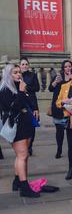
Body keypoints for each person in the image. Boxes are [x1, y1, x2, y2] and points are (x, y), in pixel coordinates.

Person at [0, 64, 39, 197]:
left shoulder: (19, 86)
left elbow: (28, 102)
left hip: (25, 123)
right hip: (15, 125)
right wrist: (22, 92)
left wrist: (24, 93)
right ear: (8, 75)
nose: (18, 74)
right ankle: (24, 187)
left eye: (19, 72)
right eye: (15, 72)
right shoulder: (4, 89)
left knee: (23, 155)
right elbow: (14, 107)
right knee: (22, 155)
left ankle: (17, 181)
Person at [48, 60, 72, 159]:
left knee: (70, 131)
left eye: (69, 66)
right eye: (66, 67)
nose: (68, 68)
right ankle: (59, 149)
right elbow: (50, 89)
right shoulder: (58, 77)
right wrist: (55, 82)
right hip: (58, 107)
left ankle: (71, 149)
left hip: (70, 107)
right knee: (59, 131)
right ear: (63, 68)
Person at [20, 57, 40, 156]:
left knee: (32, 126)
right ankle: (23, 146)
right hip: (20, 103)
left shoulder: (32, 75)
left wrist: (25, 87)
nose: (25, 66)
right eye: (23, 64)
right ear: (20, 66)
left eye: (26, 64)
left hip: (31, 103)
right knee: (22, 126)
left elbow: (37, 88)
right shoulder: (17, 75)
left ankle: (30, 146)